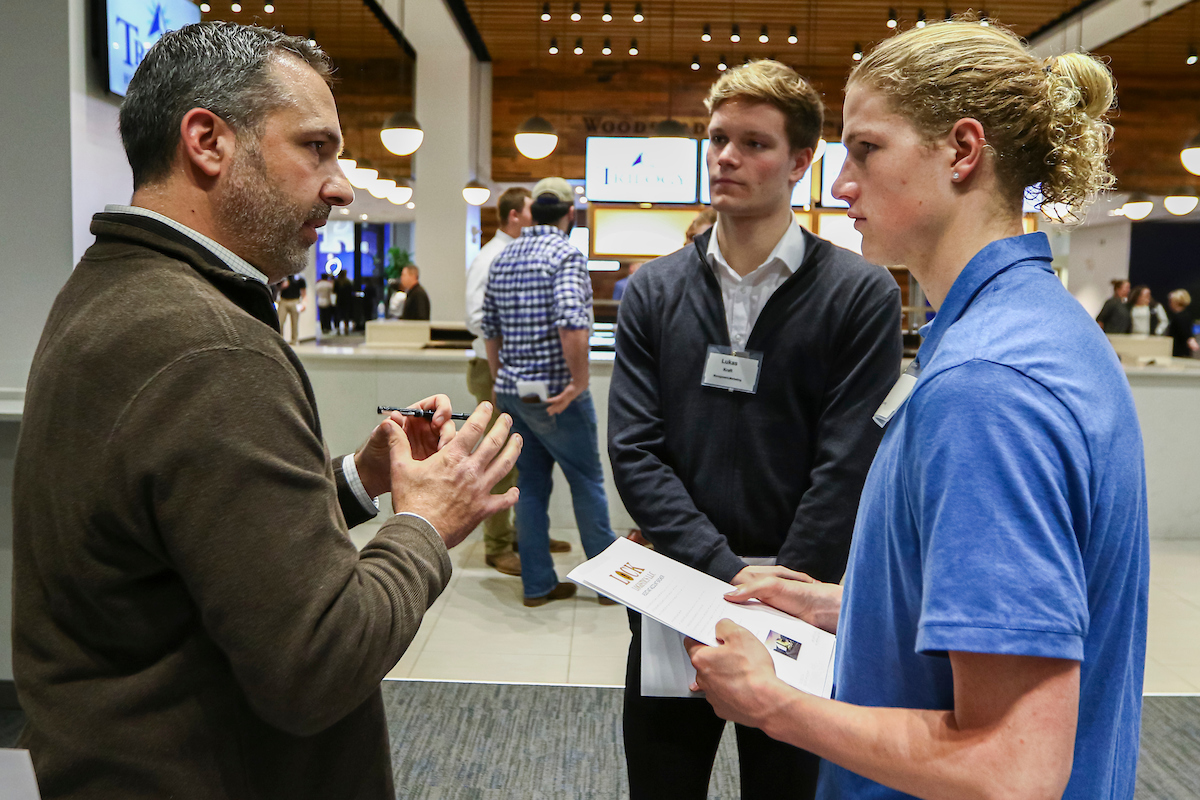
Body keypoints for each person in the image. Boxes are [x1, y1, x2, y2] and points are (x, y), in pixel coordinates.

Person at [11, 23, 522, 800]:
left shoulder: (112, 288)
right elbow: (319, 663)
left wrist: (361, 477)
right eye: (315, 147)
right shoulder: (210, 344)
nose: (342, 184)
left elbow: (202, 534)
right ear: (208, 141)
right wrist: (426, 525)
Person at [685, 20, 1148, 800]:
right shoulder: (1033, 326)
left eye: (865, 150)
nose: (840, 185)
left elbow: (1008, 767)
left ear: (962, 152)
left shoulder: (988, 388)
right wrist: (856, 604)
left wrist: (773, 704)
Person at [608, 59, 902, 800]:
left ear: (803, 161)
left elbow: (848, 461)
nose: (728, 158)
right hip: (675, 589)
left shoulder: (859, 292)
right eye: (717, 139)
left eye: (754, 143)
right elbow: (635, 451)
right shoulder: (650, 290)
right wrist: (723, 572)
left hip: (802, 601)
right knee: (663, 782)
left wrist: (778, 590)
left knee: (786, 787)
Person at [482, 177, 618, 606]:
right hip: (559, 397)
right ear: (569, 215)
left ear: (531, 211)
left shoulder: (503, 256)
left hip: (513, 394)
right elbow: (573, 323)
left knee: (531, 486)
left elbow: (489, 329)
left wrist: (501, 376)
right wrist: (578, 383)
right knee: (587, 482)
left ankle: (538, 585)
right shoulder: (566, 254)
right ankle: (607, 586)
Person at [465, 187, 570, 575]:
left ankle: (529, 537)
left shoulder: (517, 254)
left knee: (529, 457)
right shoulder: (492, 256)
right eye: (531, 210)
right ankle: (497, 545)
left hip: (516, 370)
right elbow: (477, 317)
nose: (538, 216)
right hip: (494, 369)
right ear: (514, 216)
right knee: (500, 458)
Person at [1166, 289, 1199, 357]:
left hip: (1178, 351)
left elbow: (1186, 334)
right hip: (1181, 350)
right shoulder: (1186, 315)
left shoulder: (1179, 317)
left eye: (1171, 301)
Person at [277, 272, 306, 344]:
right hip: (283, 300)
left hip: (295, 301)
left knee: (295, 322)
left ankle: (294, 340)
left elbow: (304, 293)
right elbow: (276, 289)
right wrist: (282, 286)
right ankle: (280, 340)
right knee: (280, 321)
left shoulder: (300, 278)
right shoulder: (282, 277)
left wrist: (304, 303)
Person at [315, 270, 334, 335]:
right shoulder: (329, 285)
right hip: (327, 300)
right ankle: (328, 327)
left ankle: (323, 327)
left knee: (322, 316)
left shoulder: (318, 285)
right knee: (327, 315)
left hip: (320, 300)